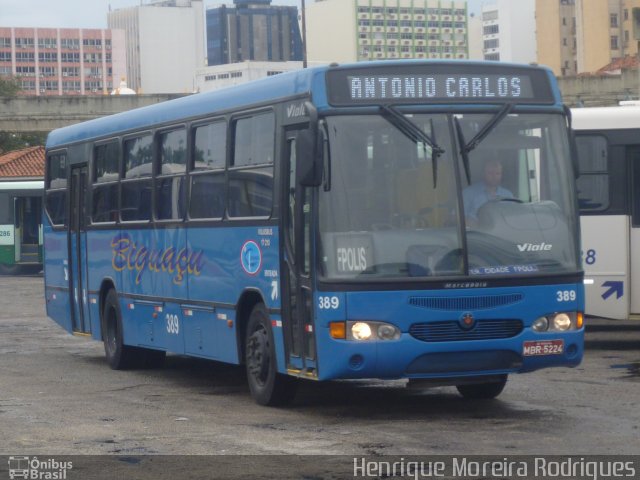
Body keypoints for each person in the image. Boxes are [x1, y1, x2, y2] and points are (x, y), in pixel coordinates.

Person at [462, 158, 513, 225]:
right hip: (476, 233)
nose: (494, 176)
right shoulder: (468, 193)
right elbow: (455, 218)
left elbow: (513, 219)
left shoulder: (508, 195)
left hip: (502, 234)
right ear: (483, 173)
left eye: (497, 173)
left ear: (501, 175)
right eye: (490, 173)